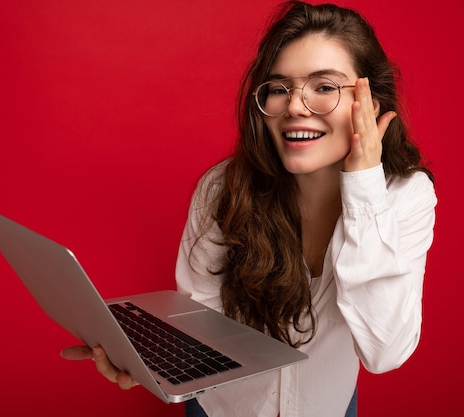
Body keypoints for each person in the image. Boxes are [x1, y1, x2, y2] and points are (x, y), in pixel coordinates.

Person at [61, 1, 437, 416]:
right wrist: (148, 360)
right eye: (279, 88)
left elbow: (385, 352)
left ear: (372, 102)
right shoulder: (223, 188)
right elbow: (200, 319)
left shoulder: (405, 196)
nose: (295, 106)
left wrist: (363, 186)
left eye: (324, 87)